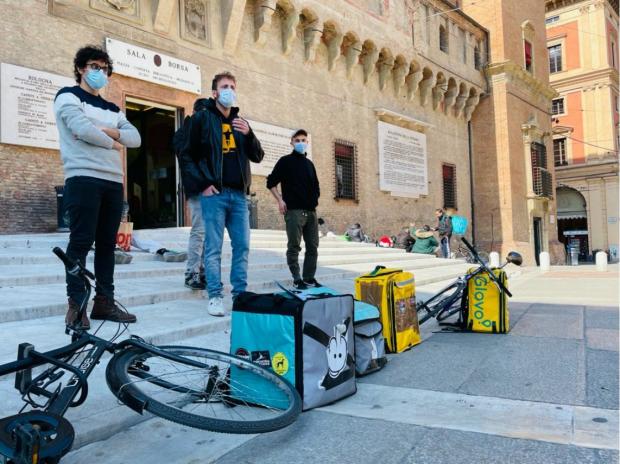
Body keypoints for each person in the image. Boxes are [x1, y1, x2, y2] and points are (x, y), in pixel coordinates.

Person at [54, 45, 141, 329]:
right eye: (94, 66)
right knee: (80, 242)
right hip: (82, 178)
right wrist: (115, 143)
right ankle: (77, 306)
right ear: (81, 68)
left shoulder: (113, 109)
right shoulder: (67, 96)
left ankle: (104, 302)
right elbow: (81, 129)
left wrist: (108, 132)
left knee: (106, 245)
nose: (100, 72)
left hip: (113, 182)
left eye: (104, 69)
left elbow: (135, 138)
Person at [181, 71, 264, 316]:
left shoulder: (241, 123)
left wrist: (249, 134)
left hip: (238, 196)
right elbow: (186, 155)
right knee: (213, 248)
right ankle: (215, 296)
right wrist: (203, 184)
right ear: (215, 93)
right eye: (224, 86)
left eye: (232, 87)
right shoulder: (202, 119)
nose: (229, 90)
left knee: (242, 246)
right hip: (214, 195)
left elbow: (258, 156)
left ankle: (240, 296)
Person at [267, 129, 321, 290]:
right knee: (294, 246)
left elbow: (316, 186)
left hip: (311, 212)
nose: (300, 143)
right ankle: (297, 279)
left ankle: (309, 278)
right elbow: (271, 183)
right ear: (291, 142)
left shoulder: (310, 164)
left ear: (307, 142)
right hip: (294, 211)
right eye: (297, 140)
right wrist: (280, 200)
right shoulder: (285, 161)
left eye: (303, 140)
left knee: (313, 246)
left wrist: (315, 200)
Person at [174, 99, 210, 290]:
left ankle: (204, 272)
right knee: (199, 231)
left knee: (209, 233)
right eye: (202, 112)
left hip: (213, 189)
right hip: (196, 188)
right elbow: (184, 156)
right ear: (195, 112)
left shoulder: (208, 129)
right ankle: (191, 273)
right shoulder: (184, 131)